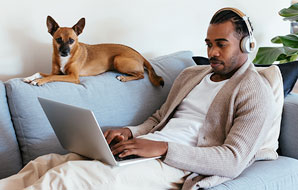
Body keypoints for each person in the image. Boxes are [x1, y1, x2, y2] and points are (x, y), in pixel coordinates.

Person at [0, 7, 277, 190]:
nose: (212, 52)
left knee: (66, 179)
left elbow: (232, 160)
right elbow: (159, 119)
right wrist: (129, 132)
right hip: (143, 148)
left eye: (221, 44)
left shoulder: (254, 91)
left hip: (177, 165)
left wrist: (164, 149)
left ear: (246, 45)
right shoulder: (191, 75)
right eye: (208, 43)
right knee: (45, 164)